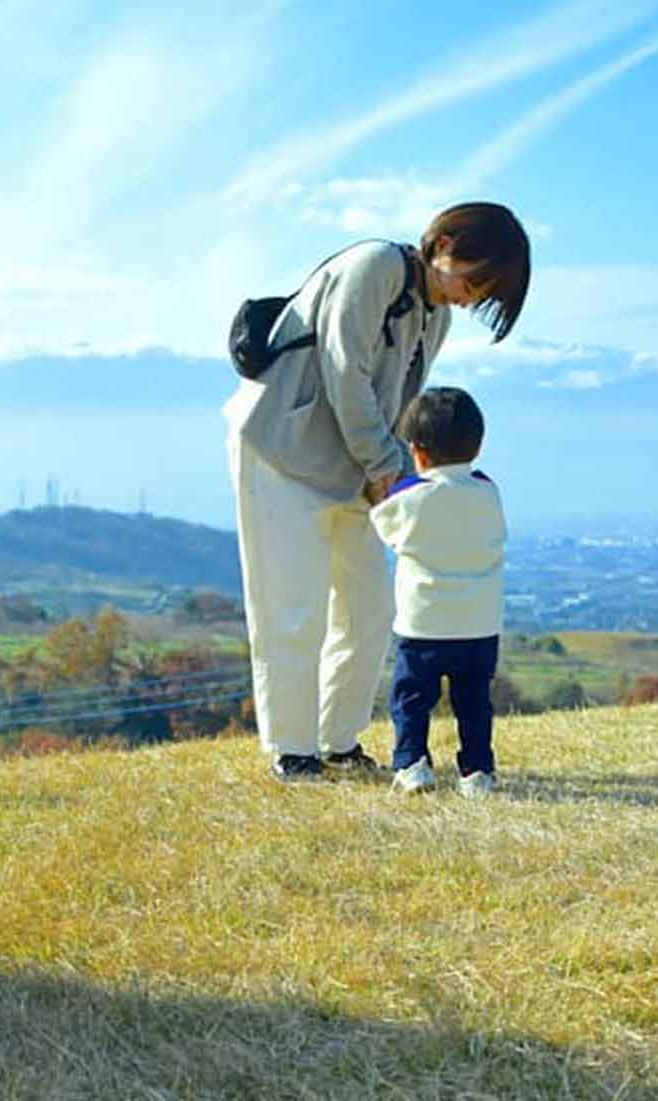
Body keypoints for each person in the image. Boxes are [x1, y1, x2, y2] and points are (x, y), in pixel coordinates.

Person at [222, 202, 528, 782]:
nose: (470, 295)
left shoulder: (432, 316)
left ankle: (338, 740)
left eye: (484, 290)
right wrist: (390, 469)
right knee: (293, 608)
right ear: (442, 244)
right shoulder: (374, 268)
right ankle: (293, 749)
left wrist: (392, 474)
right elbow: (346, 372)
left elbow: (399, 405)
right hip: (280, 450)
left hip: (355, 469)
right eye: (473, 277)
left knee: (369, 610)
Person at [370, 386, 506, 798]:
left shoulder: (411, 496)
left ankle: (412, 764)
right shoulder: (487, 491)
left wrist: (382, 488)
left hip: (424, 623)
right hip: (479, 624)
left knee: (412, 699)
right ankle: (478, 771)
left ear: (418, 450)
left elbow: (383, 525)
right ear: (477, 446)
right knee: (474, 703)